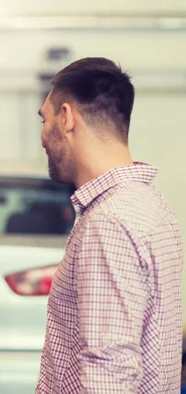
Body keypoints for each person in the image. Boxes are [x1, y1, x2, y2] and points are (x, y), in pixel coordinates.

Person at [36, 57, 184, 393]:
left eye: (44, 120)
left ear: (66, 117)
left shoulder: (109, 222)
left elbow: (109, 373)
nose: (43, 137)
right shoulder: (151, 203)